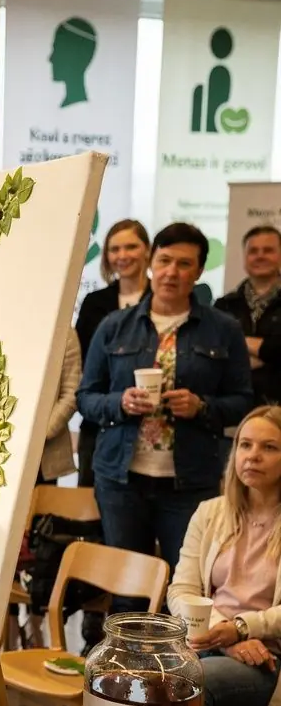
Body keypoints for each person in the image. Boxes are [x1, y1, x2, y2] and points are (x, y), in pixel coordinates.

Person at [78, 222, 253, 595]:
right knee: (127, 593)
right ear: (152, 262)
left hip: (190, 482)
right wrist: (121, 403)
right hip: (120, 480)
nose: (172, 272)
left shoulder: (223, 330)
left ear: (200, 270)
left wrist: (202, 407)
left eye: (184, 264)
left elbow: (243, 402)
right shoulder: (114, 326)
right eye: (165, 260)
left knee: (186, 591)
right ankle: (125, 655)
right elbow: (87, 397)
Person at [169, 406, 281, 706]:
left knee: (186, 683)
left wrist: (244, 628)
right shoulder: (210, 512)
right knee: (139, 677)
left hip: (268, 659)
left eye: (269, 447)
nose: (253, 456)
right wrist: (223, 632)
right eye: (245, 445)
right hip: (208, 642)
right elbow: (180, 590)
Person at [75, 219, 151, 488]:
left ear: (147, 251)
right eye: (114, 249)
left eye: (131, 247)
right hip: (98, 425)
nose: (122, 255)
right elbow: (82, 363)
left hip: (151, 430)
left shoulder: (163, 301)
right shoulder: (95, 304)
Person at [216, 225, 281, 405]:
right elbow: (216, 355)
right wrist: (269, 355)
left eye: (268, 250)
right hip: (234, 409)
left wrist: (238, 342)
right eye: (253, 251)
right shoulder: (224, 305)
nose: (260, 256)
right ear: (245, 258)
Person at [39, 328, 80, 482]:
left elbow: (71, 394)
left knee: (41, 504)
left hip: (45, 452)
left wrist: (41, 434)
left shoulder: (64, 333)